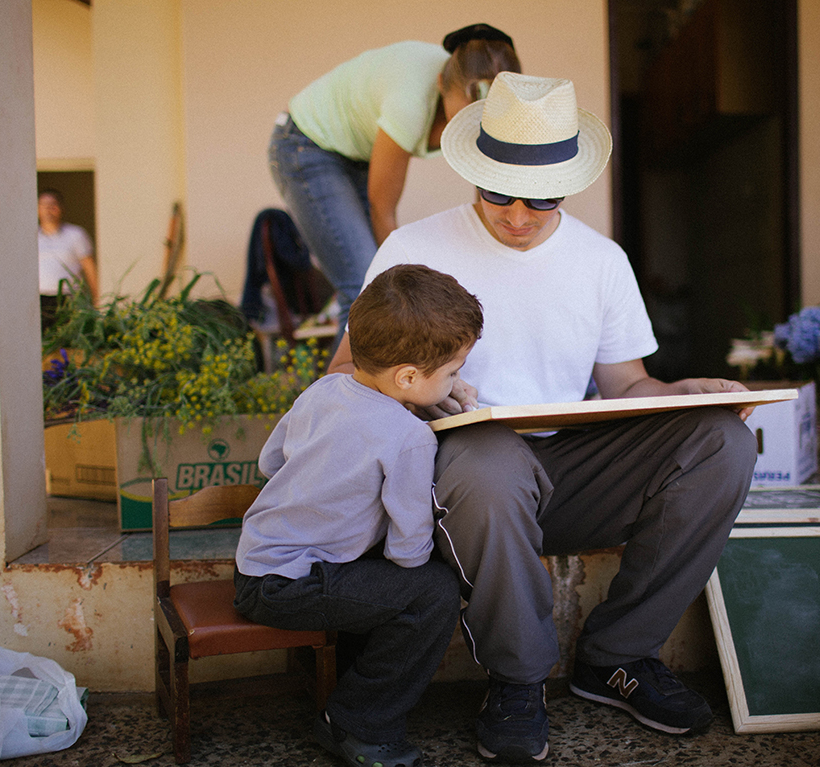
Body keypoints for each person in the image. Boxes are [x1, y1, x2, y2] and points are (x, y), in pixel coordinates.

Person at [326, 72, 759, 763]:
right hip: (459, 471)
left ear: (571, 183)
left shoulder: (600, 260)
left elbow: (627, 385)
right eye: (499, 192)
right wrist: (412, 390)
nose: (519, 214)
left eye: (543, 196)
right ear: (473, 173)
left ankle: (616, 657)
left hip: (569, 465)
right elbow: (342, 373)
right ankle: (518, 678)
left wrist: (682, 391)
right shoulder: (414, 248)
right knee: (491, 462)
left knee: (723, 442)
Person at [234, 263, 484, 767]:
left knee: (385, 583)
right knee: (432, 592)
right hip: (294, 584)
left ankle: (352, 695)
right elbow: (408, 545)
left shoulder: (322, 391)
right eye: (454, 372)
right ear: (409, 377)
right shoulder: (410, 437)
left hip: (256, 570)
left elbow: (270, 462)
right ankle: (357, 723)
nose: (458, 380)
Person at [269, 23, 520, 348]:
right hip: (306, 144)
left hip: (356, 153)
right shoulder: (409, 103)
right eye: (467, 116)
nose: (475, 126)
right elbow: (382, 210)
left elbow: (485, 186)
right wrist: (414, 292)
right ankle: (338, 399)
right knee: (364, 285)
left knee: (378, 289)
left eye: (483, 120)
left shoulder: (478, 92)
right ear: (442, 83)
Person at [37, 188, 98, 331]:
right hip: (40, 299)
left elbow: (89, 268)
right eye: (44, 205)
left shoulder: (76, 235)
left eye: (53, 205)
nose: (48, 210)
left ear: (61, 208)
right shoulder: (31, 236)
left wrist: (97, 301)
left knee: (69, 341)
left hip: (69, 298)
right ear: (38, 209)